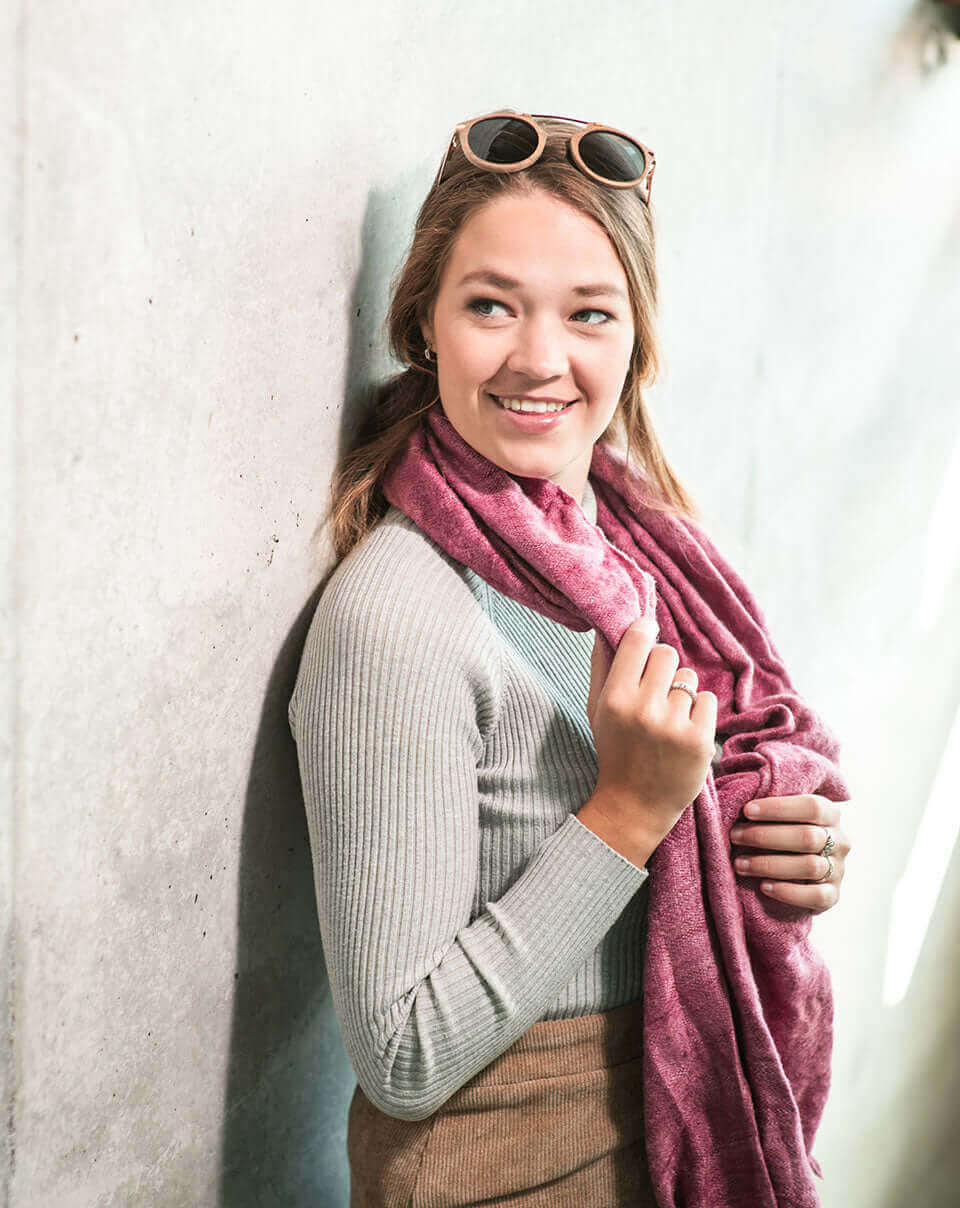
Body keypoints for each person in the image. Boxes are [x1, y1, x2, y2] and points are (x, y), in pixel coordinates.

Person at [288, 110, 851, 1207]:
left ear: (635, 337)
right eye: (491, 304)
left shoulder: (637, 552)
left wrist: (788, 845)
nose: (541, 359)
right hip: (509, 1162)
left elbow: (704, 810)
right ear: (424, 326)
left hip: (661, 1111)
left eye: (589, 313)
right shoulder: (396, 617)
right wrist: (631, 812)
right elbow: (401, 1057)